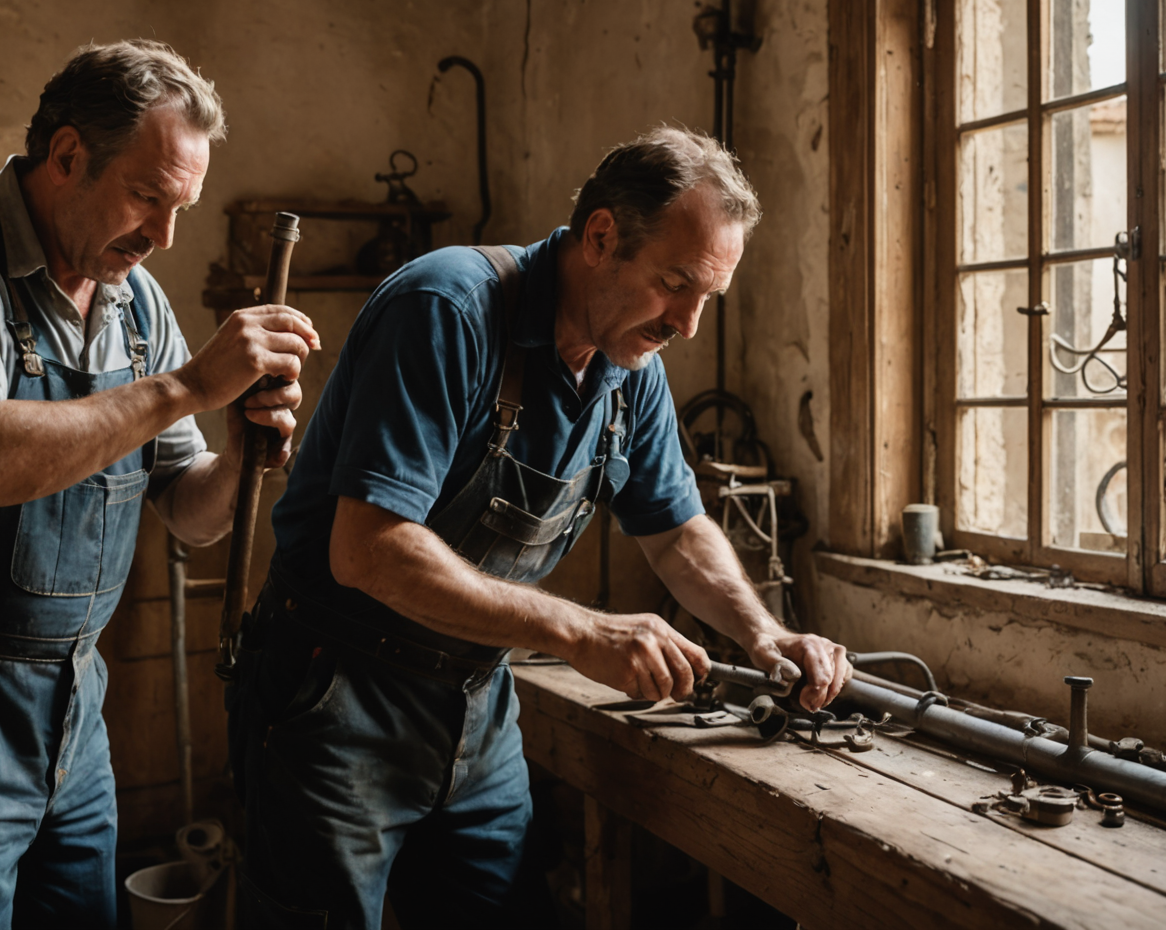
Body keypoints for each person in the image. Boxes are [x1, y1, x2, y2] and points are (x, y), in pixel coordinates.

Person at [229, 126, 852, 927]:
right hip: (336, 698)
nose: (688, 324)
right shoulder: (447, 307)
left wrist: (763, 633)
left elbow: (675, 530)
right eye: (674, 283)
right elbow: (369, 550)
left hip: (474, 706)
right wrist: (577, 630)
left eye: (708, 297)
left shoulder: (632, 371)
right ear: (600, 237)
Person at [0, 40, 319, 927]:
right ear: (68, 155)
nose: (161, 236)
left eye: (180, 208)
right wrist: (190, 386)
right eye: (147, 196)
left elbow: (189, 514)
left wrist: (237, 457)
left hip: (74, 705)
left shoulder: (135, 300)